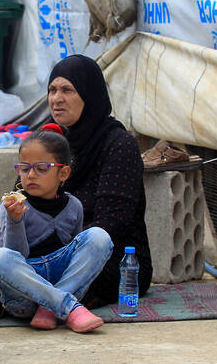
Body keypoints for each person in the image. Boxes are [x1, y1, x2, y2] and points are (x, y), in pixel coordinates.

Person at [0, 125, 113, 332]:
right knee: (0, 257)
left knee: (99, 236)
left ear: (63, 173)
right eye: (24, 168)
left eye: (41, 168)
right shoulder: (13, 205)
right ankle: (66, 306)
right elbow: (12, 259)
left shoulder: (74, 205)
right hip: (24, 297)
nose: (31, 175)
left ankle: (51, 305)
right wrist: (15, 221)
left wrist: (56, 292)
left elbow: (75, 258)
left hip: (59, 284)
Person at [47, 54, 152, 308]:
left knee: (39, 274)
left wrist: (56, 250)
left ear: (89, 94)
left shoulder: (119, 145)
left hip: (110, 258)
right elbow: (23, 193)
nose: (56, 99)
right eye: (52, 90)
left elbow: (111, 223)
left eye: (67, 90)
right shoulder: (48, 141)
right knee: (7, 262)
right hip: (51, 247)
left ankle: (18, 299)